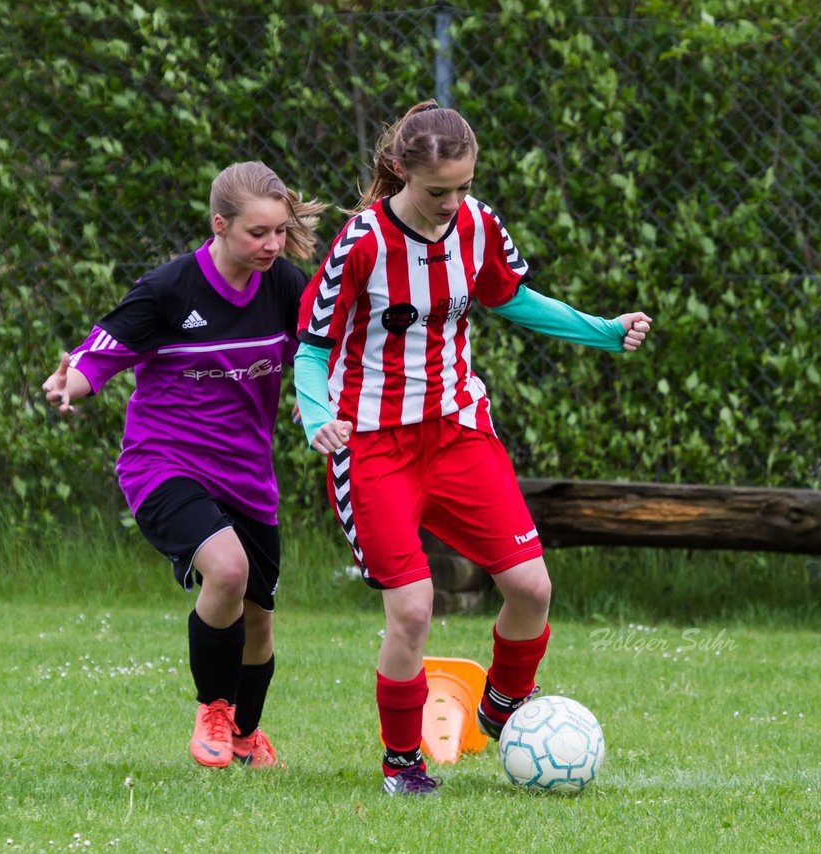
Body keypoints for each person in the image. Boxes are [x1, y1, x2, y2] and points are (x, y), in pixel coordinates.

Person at [293, 101, 652, 797]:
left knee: (531, 587)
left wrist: (604, 330)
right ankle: (403, 763)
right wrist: (317, 419)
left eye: (462, 187)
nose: (451, 204)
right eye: (437, 192)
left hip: (459, 430)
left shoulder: (478, 224)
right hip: (373, 446)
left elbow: (511, 297)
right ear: (400, 171)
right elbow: (311, 349)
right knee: (414, 609)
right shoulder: (361, 242)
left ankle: (504, 705)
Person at [43, 161, 326, 770]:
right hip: (163, 465)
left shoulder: (285, 286)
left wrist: (315, 404)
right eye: (258, 233)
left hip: (249, 476)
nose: (272, 245)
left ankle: (247, 736)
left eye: (279, 231)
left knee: (258, 622)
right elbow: (103, 352)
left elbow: (315, 356)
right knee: (227, 570)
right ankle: (212, 711)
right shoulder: (169, 290)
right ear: (220, 226)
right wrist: (74, 385)